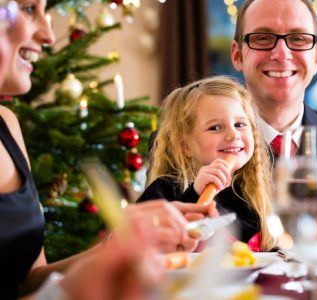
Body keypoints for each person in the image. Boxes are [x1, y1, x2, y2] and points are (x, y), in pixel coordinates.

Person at [0, 0, 215, 298]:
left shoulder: (7, 124)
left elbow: (29, 280)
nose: (49, 35)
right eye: (27, 9)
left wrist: (119, 246)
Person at [138, 76, 276, 252]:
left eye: (240, 124)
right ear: (185, 146)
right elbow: (139, 247)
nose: (233, 135)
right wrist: (195, 194)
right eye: (215, 127)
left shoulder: (256, 193)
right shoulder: (164, 190)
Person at [230, 0, 317, 156]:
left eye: (298, 39)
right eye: (262, 38)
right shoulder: (200, 154)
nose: (281, 55)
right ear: (237, 55)